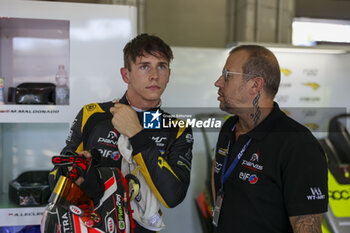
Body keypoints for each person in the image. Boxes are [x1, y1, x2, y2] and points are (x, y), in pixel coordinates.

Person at [48, 33, 193, 233]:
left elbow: (173, 196)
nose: (154, 75)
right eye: (144, 66)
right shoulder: (93, 114)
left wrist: (136, 133)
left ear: (169, 74)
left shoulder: (176, 128)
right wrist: (82, 173)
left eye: (162, 66)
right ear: (126, 75)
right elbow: (57, 176)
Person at [211, 45, 328, 233]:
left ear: (256, 85)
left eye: (227, 75)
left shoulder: (298, 144)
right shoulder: (229, 127)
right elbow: (217, 174)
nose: (218, 82)